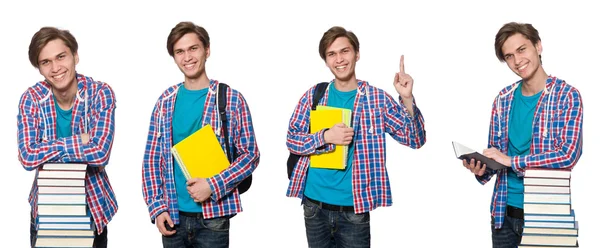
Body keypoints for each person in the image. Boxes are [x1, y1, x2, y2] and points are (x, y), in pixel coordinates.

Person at [285, 26, 426, 247]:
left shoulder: (376, 99)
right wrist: (325, 137)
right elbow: (292, 139)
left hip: (354, 210)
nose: (339, 59)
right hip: (313, 206)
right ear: (326, 61)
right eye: (332, 54)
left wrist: (407, 99)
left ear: (357, 54)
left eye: (345, 51)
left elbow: (415, 139)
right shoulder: (314, 95)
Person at [463, 22, 583, 247]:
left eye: (521, 50)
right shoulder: (503, 99)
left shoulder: (567, 96)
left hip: (548, 216)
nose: (517, 61)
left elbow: (568, 155)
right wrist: (481, 168)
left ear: (538, 46)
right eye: (509, 56)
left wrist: (512, 161)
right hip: (503, 217)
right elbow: (497, 158)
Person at [141, 21, 260, 248]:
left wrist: (213, 185)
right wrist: (157, 207)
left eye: (193, 48)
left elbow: (250, 155)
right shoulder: (165, 101)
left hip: (213, 217)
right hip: (172, 216)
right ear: (174, 57)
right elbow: (152, 159)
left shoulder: (231, 99)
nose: (187, 57)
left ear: (207, 50)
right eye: (180, 51)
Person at [17, 26, 118, 248]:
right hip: (46, 211)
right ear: (39, 68)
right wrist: (80, 140)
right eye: (46, 62)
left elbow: (100, 153)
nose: (55, 68)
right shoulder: (31, 99)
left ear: (75, 56)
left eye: (61, 57)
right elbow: (26, 156)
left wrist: (46, 148)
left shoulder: (100, 93)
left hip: (90, 209)